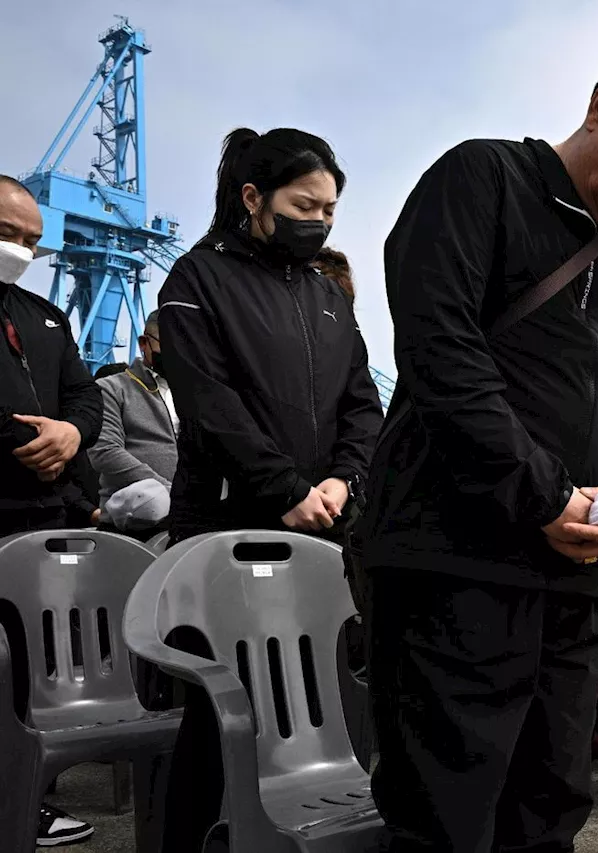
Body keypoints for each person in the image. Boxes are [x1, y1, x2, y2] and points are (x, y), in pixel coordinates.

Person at [353, 26, 598, 853]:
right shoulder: (481, 179)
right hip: (450, 559)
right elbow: (439, 353)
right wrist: (544, 493)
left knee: (552, 799)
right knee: (447, 804)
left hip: (573, 571)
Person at [155, 128, 383, 851]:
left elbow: (361, 402)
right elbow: (208, 400)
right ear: (254, 198)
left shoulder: (325, 293)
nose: (318, 220)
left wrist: (343, 478)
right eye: (304, 203)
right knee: (223, 711)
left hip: (323, 522)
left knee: (318, 695)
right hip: (229, 520)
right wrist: (284, 485)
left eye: (331, 209)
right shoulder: (196, 279)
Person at [0, 174, 99, 846]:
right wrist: (22, 440)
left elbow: (84, 398)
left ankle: (29, 799)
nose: (21, 249)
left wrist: (71, 434)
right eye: (9, 234)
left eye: (32, 240)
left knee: (31, 669)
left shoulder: (49, 317)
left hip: (43, 518)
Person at [88, 310, 177, 538]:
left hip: (193, 518)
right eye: (169, 344)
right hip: (132, 521)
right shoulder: (111, 388)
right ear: (143, 343)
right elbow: (105, 452)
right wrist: (170, 490)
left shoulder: (198, 392)